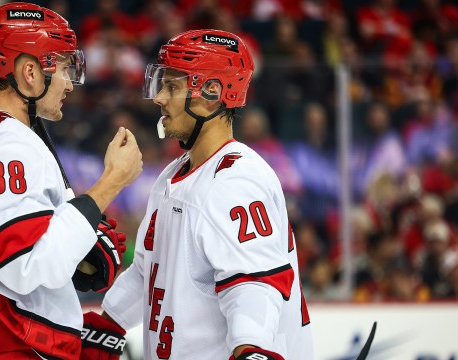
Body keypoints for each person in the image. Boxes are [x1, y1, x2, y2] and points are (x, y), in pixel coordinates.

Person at [0, 3, 142, 359]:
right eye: (65, 68)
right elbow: (25, 265)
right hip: (9, 345)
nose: (69, 83)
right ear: (31, 72)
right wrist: (109, 184)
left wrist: (73, 244)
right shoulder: (5, 145)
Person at [81, 30, 314, 360]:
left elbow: (254, 284)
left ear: (211, 92)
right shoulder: (172, 175)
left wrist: (252, 349)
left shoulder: (238, 180)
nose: (160, 97)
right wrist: (109, 325)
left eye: (173, 87)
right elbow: (148, 272)